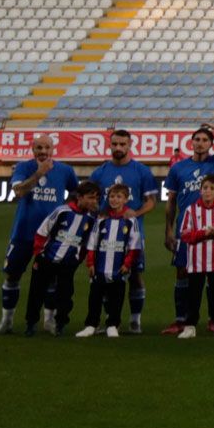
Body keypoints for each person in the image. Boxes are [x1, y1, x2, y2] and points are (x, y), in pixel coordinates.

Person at [0, 135, 77, 336]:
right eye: (39, 147)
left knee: (51, 280)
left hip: (52, 236)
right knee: (13, 275)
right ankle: (7, 321)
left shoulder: (65, 170)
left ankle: (48, 322)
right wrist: (38, 173)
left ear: (52, 149)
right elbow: (19, 192)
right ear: (33, 149)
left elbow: (75, 194)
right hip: (24, 232)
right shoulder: (23, 167)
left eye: (46, 147)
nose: (43, 151)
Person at [162, 123, 214, 338]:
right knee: (183, 273)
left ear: (211, 144)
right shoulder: (178, 168)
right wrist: (168, 230)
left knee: (212, 274)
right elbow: (171, 201)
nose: (200, 143)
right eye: (197, 139)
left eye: (205, 140)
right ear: (191, 142)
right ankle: (182, 319)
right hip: (188, 228)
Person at [87, 129, 158, 333]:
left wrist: (134, 213)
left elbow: (151, 202)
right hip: (105, 236)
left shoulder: (141, 171)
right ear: (110, 145)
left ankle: (135, 319)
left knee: (135, 275)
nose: (118, 148)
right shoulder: (99, 172)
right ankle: (111, 320)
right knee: (105, 275)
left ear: (129, 145)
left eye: (122, 144)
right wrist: (97, 211)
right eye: (115, 144)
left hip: (132, 236)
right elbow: (91, 199)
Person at [25, 181, 98, 339]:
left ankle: (60, 324)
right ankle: (31, 324)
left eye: (96, 198)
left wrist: (78, 259)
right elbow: (42, 232)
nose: (94, 202)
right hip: (47, 259)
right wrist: (39, 254)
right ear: (79, 197)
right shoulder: (62, 211)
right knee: (36, 292)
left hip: (68, 263)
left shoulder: (91, 219)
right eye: (91, 197)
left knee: (65, 295)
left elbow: (87, 243)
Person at [78, 182, 143, 338]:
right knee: (95, 296)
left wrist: (127, 264)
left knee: (117, 296)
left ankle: (113, 325)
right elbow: (92, 242)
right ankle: (91, 325)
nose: (114, 200)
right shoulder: (101, 219)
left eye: (119, 197)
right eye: (112, 196)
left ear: (126, 199)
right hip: (100, 266)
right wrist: (90, 263)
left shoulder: (130, 220)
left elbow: (134, 245)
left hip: (118, 267)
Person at [176, 174, 214, 339]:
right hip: (196, 262)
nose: (208, 192)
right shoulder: (191, 209)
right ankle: (190, 326)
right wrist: (203, 233)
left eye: (212, 188)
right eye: (205, 188)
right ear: (200, 190)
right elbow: (185, 235)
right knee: (193, 295)